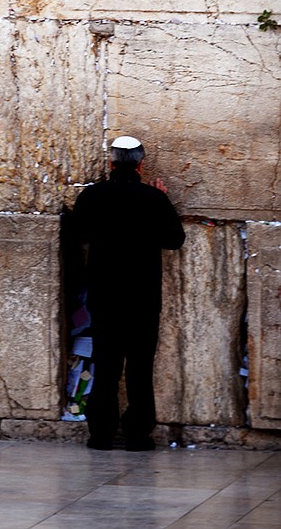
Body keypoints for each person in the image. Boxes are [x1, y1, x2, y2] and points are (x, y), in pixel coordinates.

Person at [67, 134, 185, 452]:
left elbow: (78, 234)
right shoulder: (153, 199)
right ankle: (137, 434)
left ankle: (101, 433)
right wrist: (161, 202)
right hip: (143, 297)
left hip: (104, 295)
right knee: (139, 366)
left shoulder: (93, 196)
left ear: (111, 163)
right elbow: (174, 239)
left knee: (106, 364)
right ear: (141, 164)